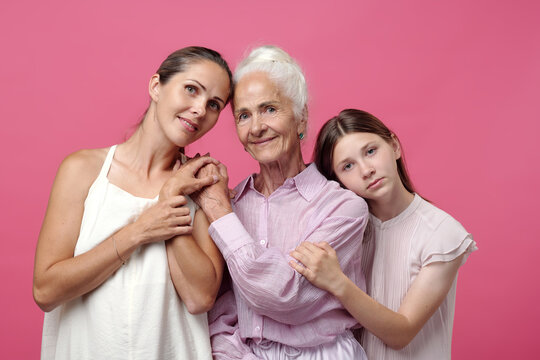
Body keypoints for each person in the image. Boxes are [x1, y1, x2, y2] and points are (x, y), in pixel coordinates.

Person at [32, 46, 232, 360]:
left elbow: (200, 298)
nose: (199, 109)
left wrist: (172, 198)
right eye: (191, 89)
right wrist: (139, 231)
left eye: (214, 104)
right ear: (156, 86)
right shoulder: (83, 170)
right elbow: (46, 291)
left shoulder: (201, 186)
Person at [186, 45, 370, 359]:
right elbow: (221, 307)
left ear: (301, 119)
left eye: (269, 109)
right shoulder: (234, 203)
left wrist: (218, 211)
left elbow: (285, 294)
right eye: (244, 115)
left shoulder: (343, 208)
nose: (256, 127)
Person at [289, 108, 477, 360]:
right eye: (348, 166)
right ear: (338, 181)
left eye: (370, 151)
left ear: (394, 146)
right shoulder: (345, 230)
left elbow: (402, 332)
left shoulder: (441, 233)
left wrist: (337, 282)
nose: (366, 170)